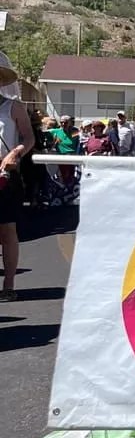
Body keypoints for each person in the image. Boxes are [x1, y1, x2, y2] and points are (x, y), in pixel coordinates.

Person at [0, 53, 36, 302]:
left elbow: (29, 138)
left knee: (7, 230)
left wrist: (15, 153)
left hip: (5, 174)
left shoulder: (12, 106)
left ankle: (9, 284)